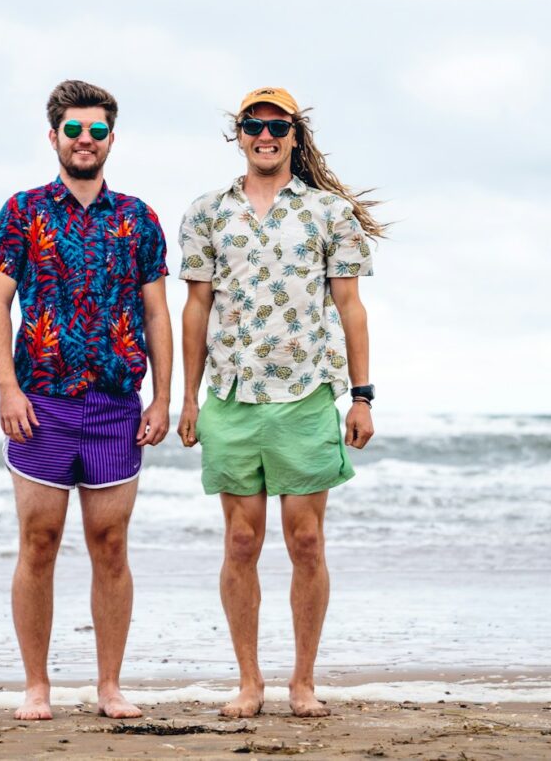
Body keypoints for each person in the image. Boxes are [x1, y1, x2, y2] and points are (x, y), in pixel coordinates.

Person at [176, 86, 384, 718]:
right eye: (253, 125)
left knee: (307, 542)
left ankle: (303, 682)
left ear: (295, 135)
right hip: (231, 396)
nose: (264, 135)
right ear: (238, 134)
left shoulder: (329, 213)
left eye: (277, 126)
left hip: (305, 396)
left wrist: (362, 397)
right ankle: (249, 682)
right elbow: (196, 308)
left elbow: (350, 307)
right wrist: (187, 398)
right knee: (241, 542)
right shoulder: (207, 212)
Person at [0, 79, 172, 720]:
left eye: (96, 131)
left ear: (111, 139)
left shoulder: (138, 218)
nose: (84, 140)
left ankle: (109, 687)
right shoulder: (23, 211)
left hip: (116, 407)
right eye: (73, 130)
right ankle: (36, 687)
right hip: (41, 403)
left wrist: (163, 397)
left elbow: (156, 313)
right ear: (54, 136)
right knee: (39, 541)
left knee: (110, 544)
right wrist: (7, 388)